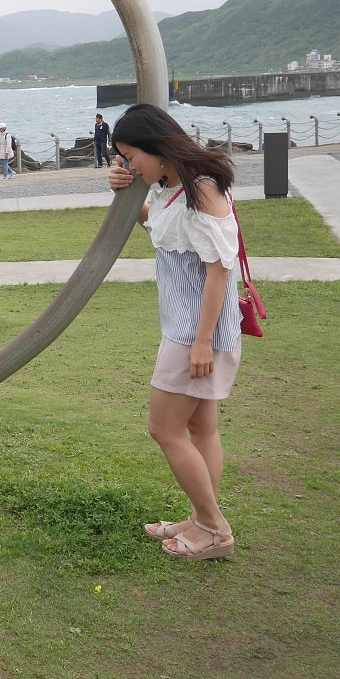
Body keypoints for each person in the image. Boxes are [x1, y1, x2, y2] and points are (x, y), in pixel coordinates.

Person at [106, 102, 241, 561]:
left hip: (195, 334)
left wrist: (202, 341)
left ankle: (214, 530)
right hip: (187, 329)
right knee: (202, 428)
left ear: (156, 147)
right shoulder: (168, 188)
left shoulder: (201, 191)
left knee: (163, 429)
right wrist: (127, 192)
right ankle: (201, 518)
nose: (129, 164)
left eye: (131, 156)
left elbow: (219, 271)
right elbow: (165, 230)